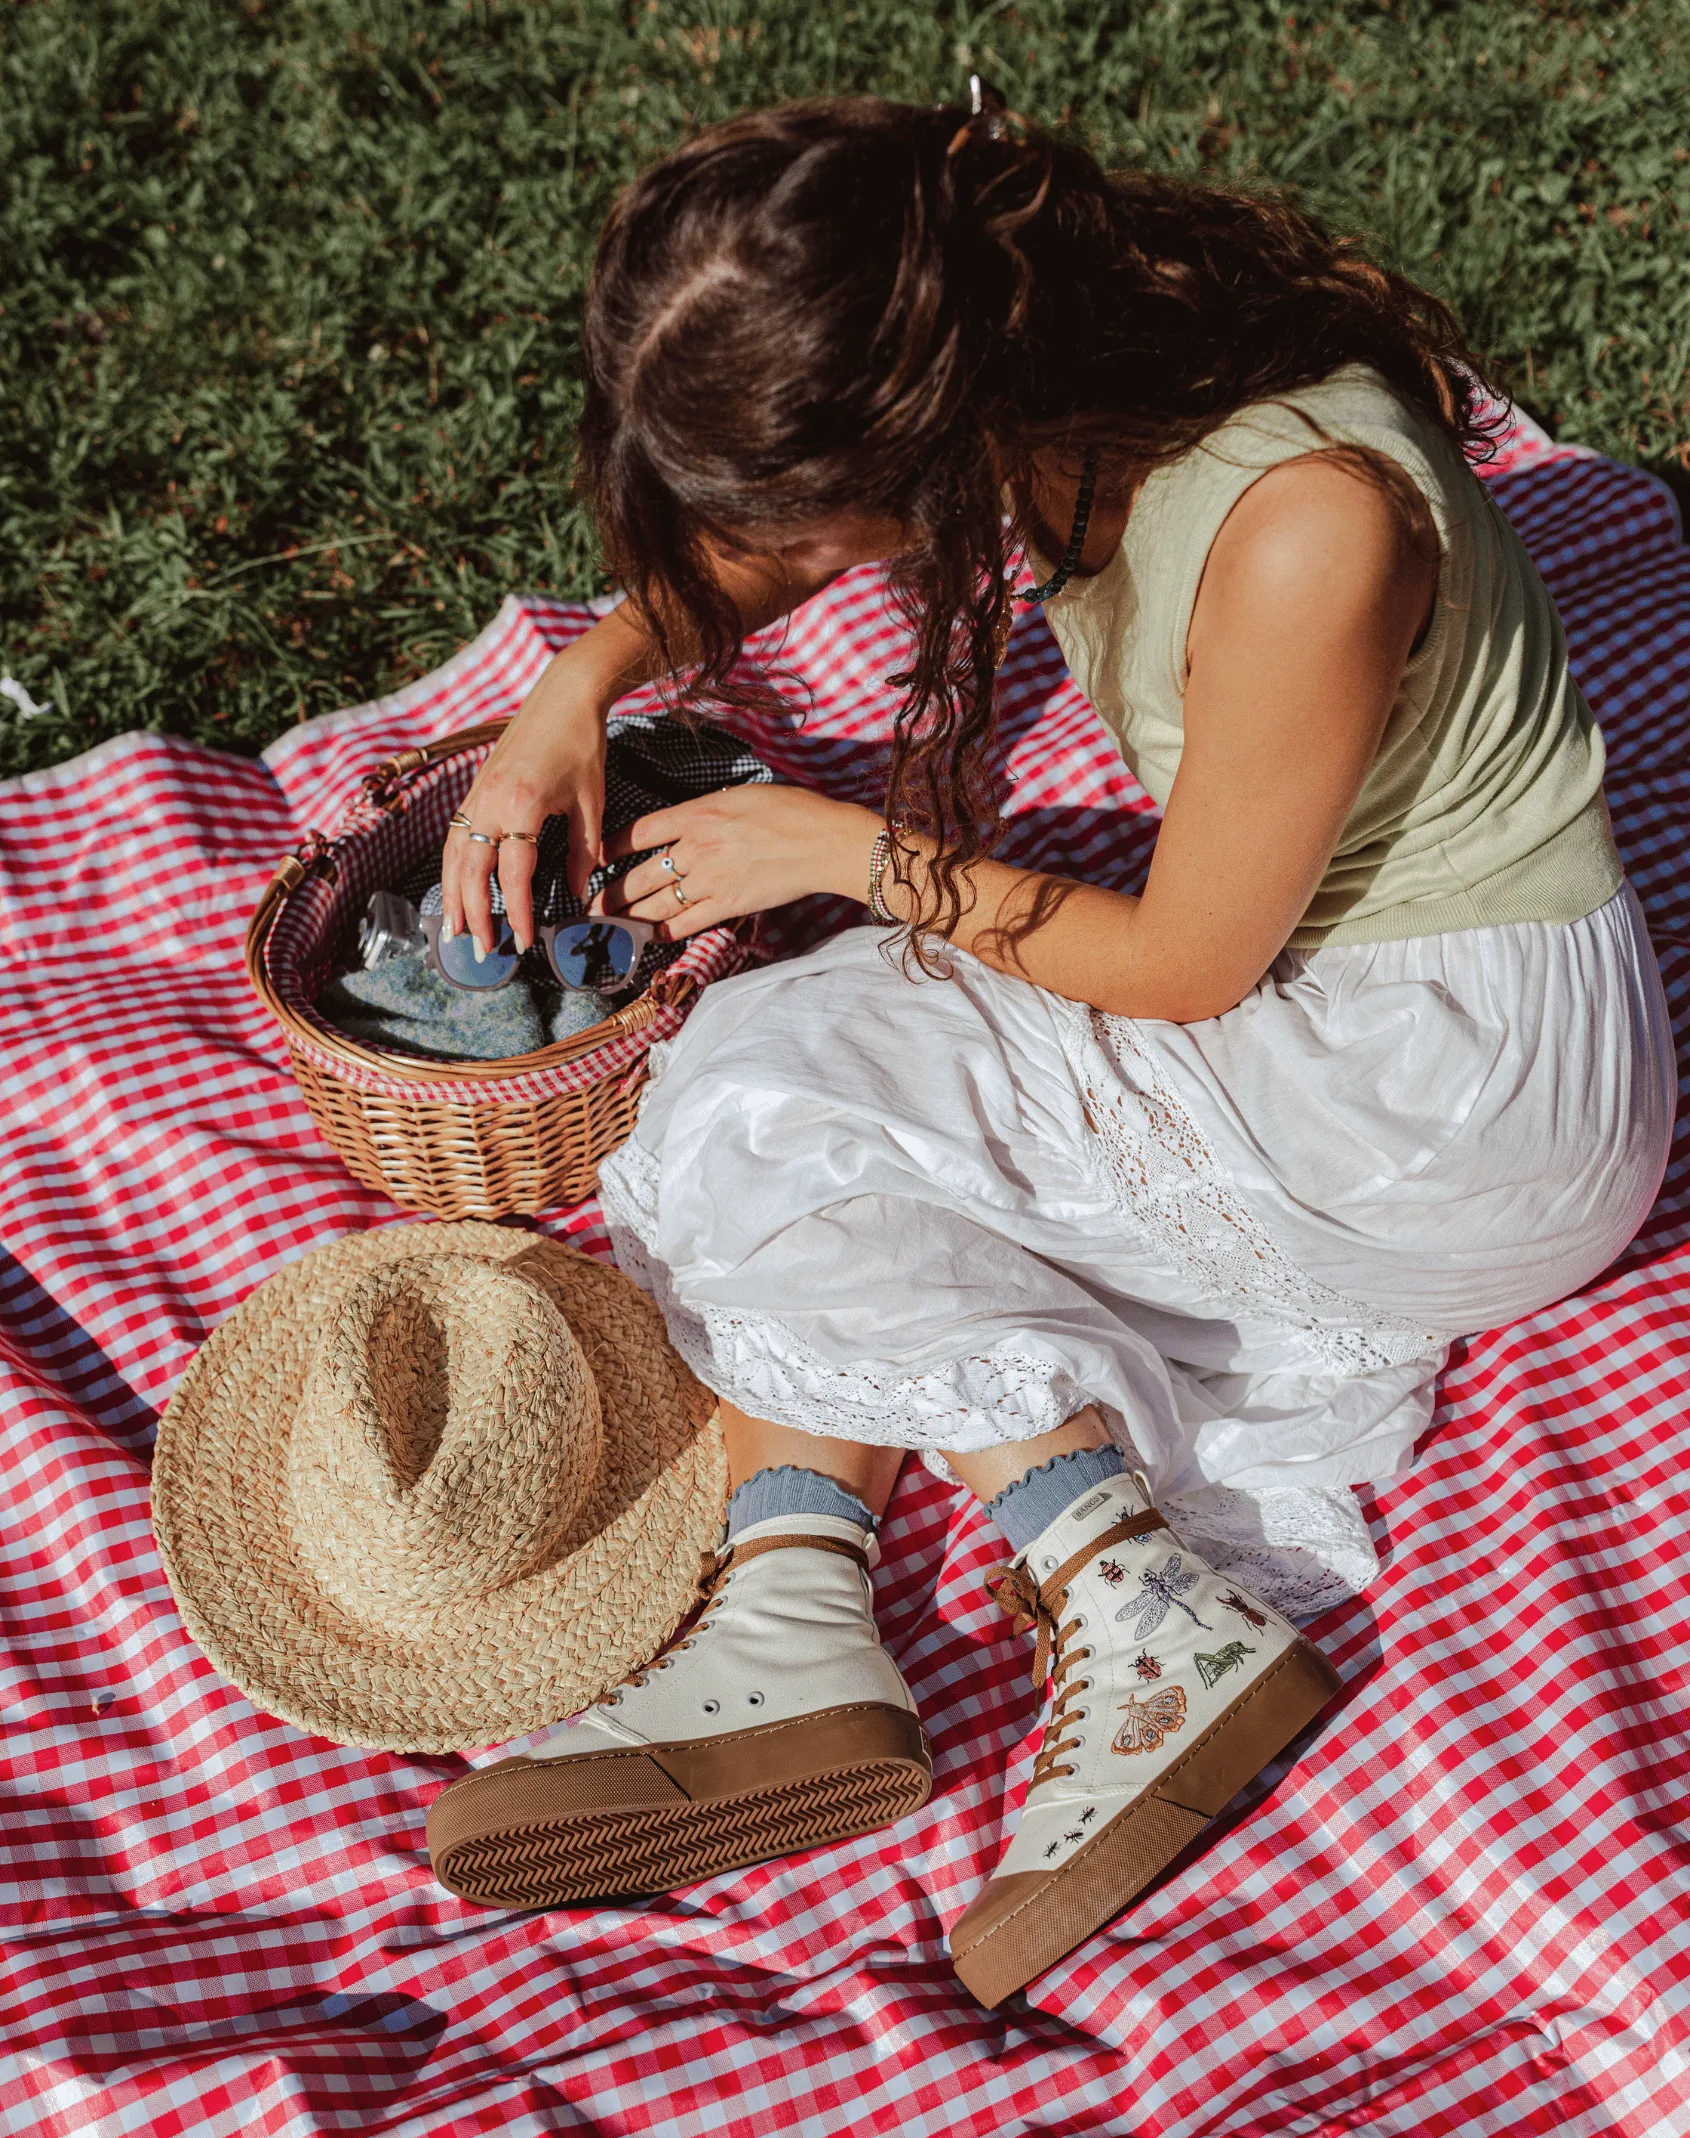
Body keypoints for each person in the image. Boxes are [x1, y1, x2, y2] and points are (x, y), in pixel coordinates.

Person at [430, 94, 1674, 2005]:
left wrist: (843, 850)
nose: (781, 558)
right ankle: (811, 1612)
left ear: (922, 436)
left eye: (806, 516)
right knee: (801, 1069)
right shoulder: (1053, 344)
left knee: (764, 1080)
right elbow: (775, 554)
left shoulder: (1303, 519)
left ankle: (1103, 1594)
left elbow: (1180, 963)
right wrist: (568, 693)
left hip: (1452, 1093)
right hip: (1378, 1025)